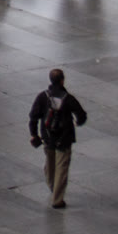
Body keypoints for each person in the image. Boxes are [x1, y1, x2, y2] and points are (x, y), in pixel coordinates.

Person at [27, 68, 87, 209]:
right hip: (64, 138)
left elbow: (33, 117)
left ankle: (52, 186)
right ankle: (57, 199)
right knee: (62, 167)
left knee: (50, 164)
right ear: (62, 80)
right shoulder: (68, 98)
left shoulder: (42, 97)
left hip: (47, 137)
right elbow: (81, 115)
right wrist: (77, 122)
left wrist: (34, 134)